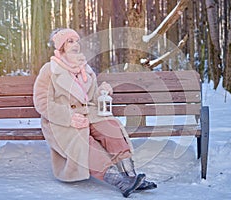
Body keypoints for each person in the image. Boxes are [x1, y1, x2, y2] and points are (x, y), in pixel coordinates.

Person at [33, 28, 157, 198]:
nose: (75, 44)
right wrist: (69, 118)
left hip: (88, 113)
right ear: (61, 46)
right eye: (70, 41)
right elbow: (41, 102)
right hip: (62, 121)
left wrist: (102, 92)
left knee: (110, 127)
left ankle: (130, 175)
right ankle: (119, 181)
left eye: (76, 41)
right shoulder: (50, 69)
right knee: (84, 141)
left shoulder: (84, 67)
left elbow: (89, 97)